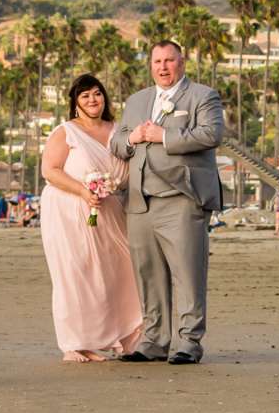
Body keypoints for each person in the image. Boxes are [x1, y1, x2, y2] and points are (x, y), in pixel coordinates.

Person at [105, 40, 226, 365]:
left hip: (182, 198)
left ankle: (188, 342)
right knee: (148, 273)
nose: (163, 67)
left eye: (169, 60)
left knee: (188, 273)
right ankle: (154, 340)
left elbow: (212, 134)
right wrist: (132, 138)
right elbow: (116, 143)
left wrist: (165, 137)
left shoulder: (203, 96)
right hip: (139, 200)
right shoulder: (137, 100)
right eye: (157, 61)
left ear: (181, 62)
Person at [38, 73, 143, 361]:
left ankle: (124, 334)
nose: (92, 100)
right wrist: (83, 191)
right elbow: (50, 171)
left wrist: (112, 186)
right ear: (75, 102)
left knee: (120, 270)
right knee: (77, 274)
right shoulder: (66, 132)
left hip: (109, 208)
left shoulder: (119, 130)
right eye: (85, 96)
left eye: (97, 93)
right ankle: (76, 343)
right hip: (69, 209)